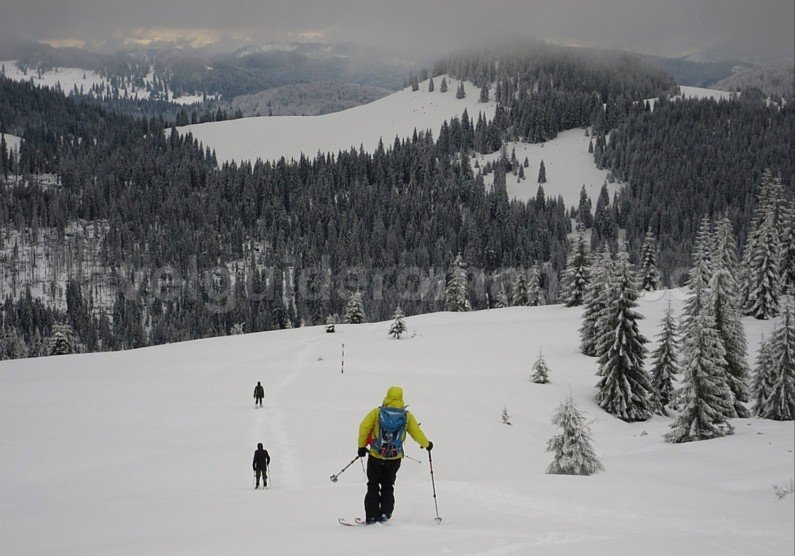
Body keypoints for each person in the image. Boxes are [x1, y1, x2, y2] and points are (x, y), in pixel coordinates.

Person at [357, 385, 432, 524]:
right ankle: (385, 513)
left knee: (373, 485)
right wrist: (427, 444)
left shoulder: (376, 412)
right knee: (388, 485)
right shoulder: (406, 415)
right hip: (394, 458)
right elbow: (416, 432)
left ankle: (372, 516)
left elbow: (364, 427)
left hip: (376, 455)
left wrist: (361, 447)